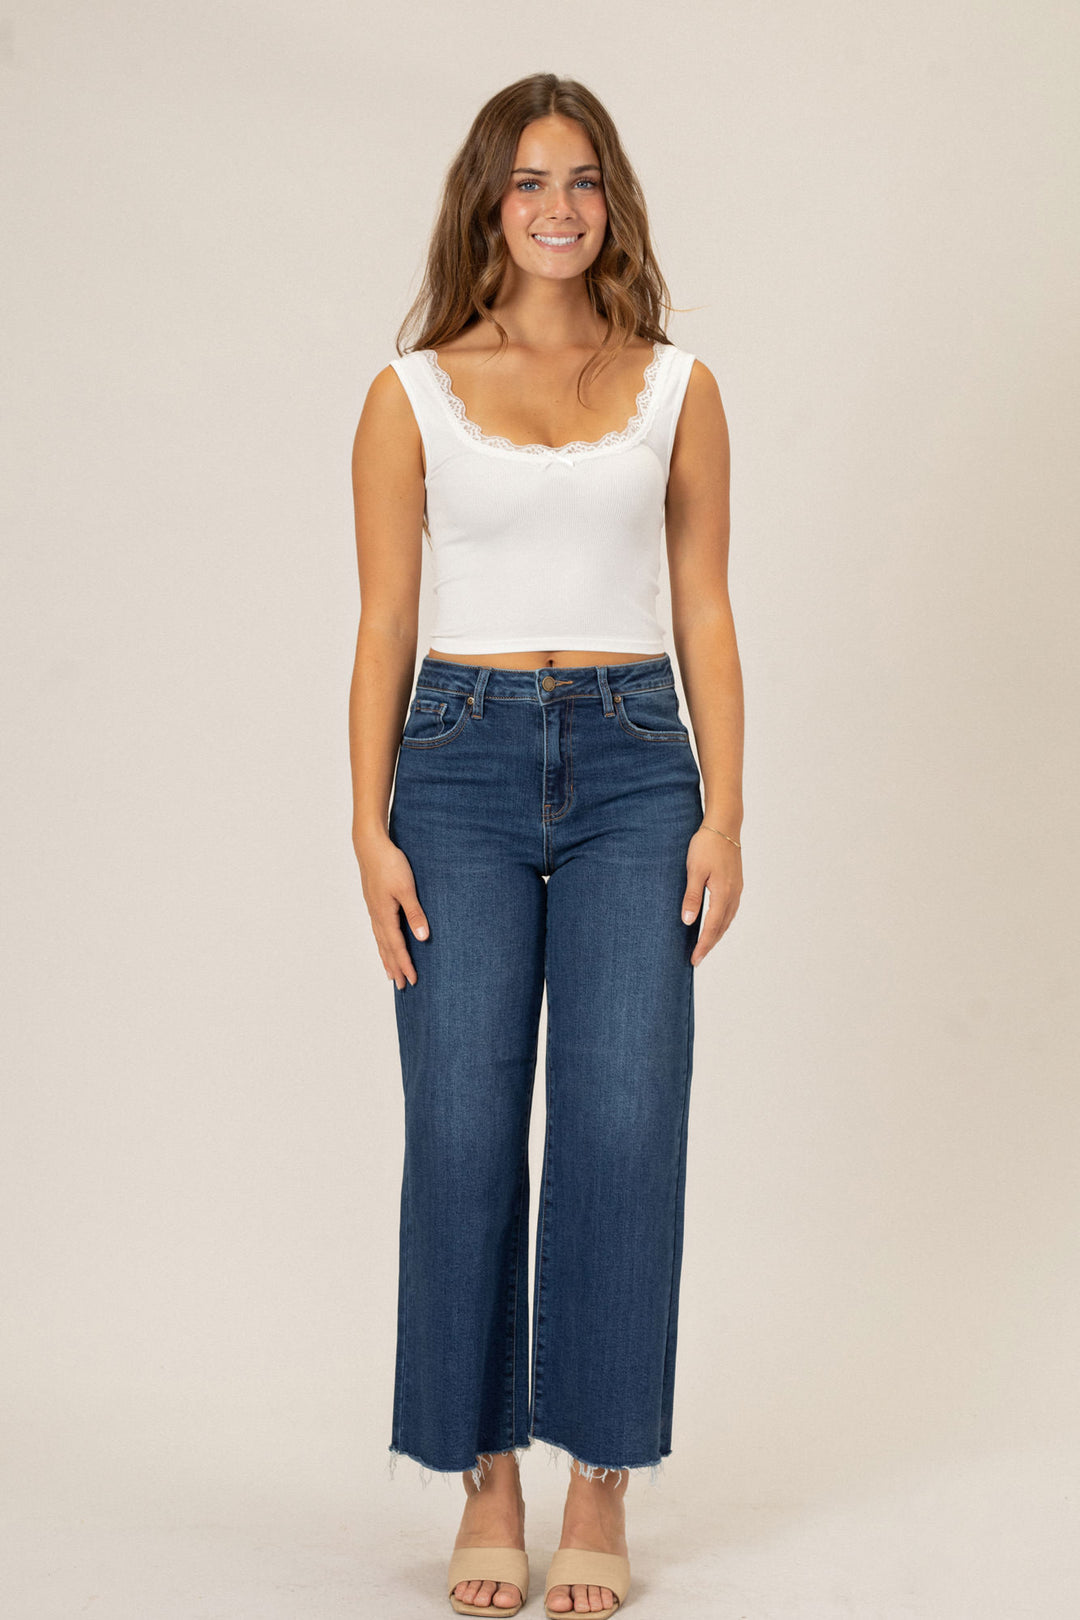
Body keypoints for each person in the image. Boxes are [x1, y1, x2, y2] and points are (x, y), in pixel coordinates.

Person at [349, 72, 742, 1620]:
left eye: (583, 180)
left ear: (613, 199)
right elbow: (384, 620)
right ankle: (483, 1476)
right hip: (453, 767)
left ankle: (601, 1485)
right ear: (486, 204)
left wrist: (727, 802)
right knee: (458, 1128)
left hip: (644, 768)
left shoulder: (681, 384)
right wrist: (364, 826)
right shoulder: (413, 392)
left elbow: (704, 603)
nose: (560, 207)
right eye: (530, 182)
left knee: (626, 1124)